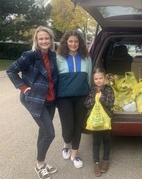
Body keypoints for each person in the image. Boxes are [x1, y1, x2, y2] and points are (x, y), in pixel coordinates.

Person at [6, 26, 58, 179]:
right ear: (36, 40)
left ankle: (41, 161)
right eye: (41, 38)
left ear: (51, 39)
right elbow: (11, 71)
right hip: (34, 99)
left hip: (50, 100)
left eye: (47, 38)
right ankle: (40, 165)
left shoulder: (53, 55)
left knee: (43, 131)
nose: (44, 41)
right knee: (50, 134)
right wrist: (24, 88)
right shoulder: (29, 56)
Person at [56, 30, 92, 168]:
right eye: (70, 41)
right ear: (66, 42)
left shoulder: (86, 58)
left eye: (76, 41)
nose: (73, 44)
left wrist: (90, 93)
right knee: (68, 127)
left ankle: (74, 154)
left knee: (78, 125)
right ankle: (66, 144)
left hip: (81, 96)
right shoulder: (58, 57)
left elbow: (89, 78)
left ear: (80, 43)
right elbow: (55, 78)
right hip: (64, 98)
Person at [84, 68, 115, 177]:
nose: (98, 80)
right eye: (96, 79)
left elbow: (111, 102)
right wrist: (94, 99)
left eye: (100, 78)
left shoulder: (108, 89)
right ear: (93, 80)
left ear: (104, 78)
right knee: (96, 141)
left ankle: (105, 160)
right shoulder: (91, 90)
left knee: (106, 140)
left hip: (106, 120)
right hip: (95, 121)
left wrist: (101, 98)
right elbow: (87, 104)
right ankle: (96, 162)